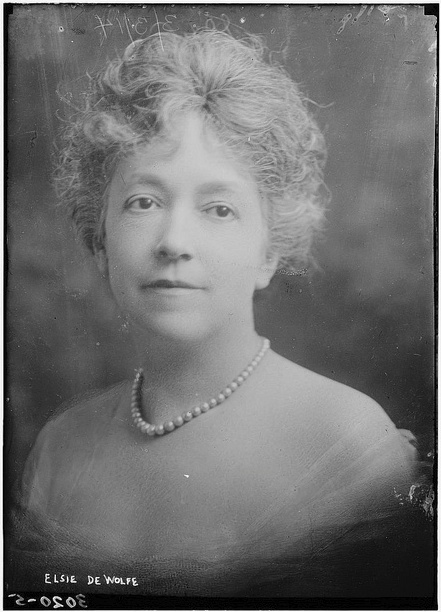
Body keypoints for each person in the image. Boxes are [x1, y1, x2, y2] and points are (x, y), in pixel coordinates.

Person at [8, 29, 431, 600]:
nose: (174, 240)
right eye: (143, 201)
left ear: (270, 250)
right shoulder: (57, 449)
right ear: (99, 239)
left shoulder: (349, 444)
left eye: (219, 208)